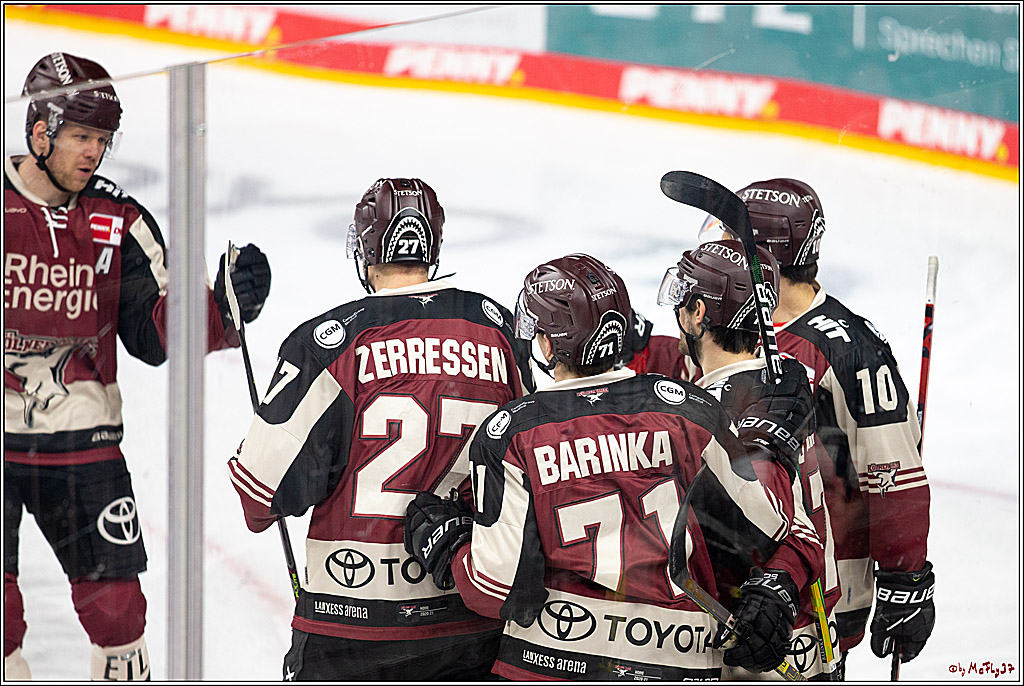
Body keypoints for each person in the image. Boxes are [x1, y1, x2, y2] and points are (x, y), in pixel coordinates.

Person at [404, 253, 823, 679]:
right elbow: (772, 528)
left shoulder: (511, 432)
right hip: (677, 659)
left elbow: (493, 591)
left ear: (547, 345)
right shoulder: (695, 411)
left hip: (555, 662)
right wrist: (771, 448)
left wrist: (452, 544)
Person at [4, 53, 271, 680]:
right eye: (80, 136)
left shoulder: (118, 219)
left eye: (102, 139)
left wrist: (223, 308)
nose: (93, 152)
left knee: (119, 612)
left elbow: (154, 332)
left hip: (81, 438)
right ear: (39, 130)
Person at [228, 177, 535, 680]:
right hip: (469, 624)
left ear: (365, 249)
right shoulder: (499, 332)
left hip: (352, 632)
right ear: (433, 245)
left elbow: (261, 498)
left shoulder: (330, 343)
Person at [701, 178, 935, 675]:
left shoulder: (849, 348)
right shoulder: (732, 323)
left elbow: (893, 473)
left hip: (817, 592)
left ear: (764, 254)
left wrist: (905, 577)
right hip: (732, 584)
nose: (717, 249)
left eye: (729, 239)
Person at [656, 239, 841, 679]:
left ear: (698, 314)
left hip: (762, 647)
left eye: (682, 300)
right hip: (812, 636)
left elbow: (779, 523)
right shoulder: (784, 379)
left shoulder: (718, 417)